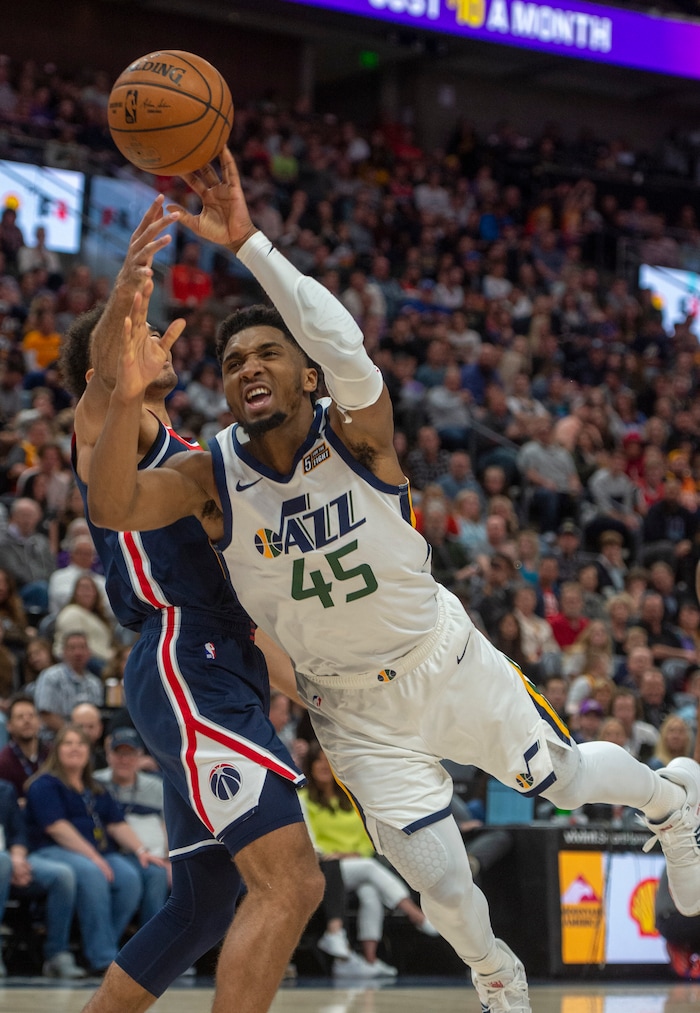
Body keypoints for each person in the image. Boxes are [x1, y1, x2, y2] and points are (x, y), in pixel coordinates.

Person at [88, 147, 700, 1012]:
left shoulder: (357, 433)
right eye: (232, 362)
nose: (248, 367)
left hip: (441, 659)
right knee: (440, 882)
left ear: (308, 373)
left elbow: (346, 342)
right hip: (353, 711)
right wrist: (124, 395)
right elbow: (113, 503)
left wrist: (251, 242)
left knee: (561, 779)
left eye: (268, 353)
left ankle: (672, 801)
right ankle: (495, 971)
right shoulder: (210, 474)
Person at [61, 195, 323, 1011]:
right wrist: (124, 292)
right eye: (136, 334)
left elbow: (249, 620)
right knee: (292, 880)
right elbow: (101, 385)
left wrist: (320, 699)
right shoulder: (115, 428)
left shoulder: (190, 457)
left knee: (204, 905)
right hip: (184, 660)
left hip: (218, 661)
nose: (154, 337)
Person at [25, 723, 160, 975]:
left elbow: (117, 824)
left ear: (89, 751)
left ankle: (104, 947)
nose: (75, 748)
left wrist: (141, 850)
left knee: (130, 879)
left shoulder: (95, 787)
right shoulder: (44, 784)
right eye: (68, 743)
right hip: (52, 851)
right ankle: (103, 958)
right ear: (56, 750)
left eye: (80, 744)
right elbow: (57, 828)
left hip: (99, 854)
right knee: (92, 873)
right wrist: (94, 857)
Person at [300, 740, 437, 978]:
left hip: (354, 864)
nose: (323, 766)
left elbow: (366, 840)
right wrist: (335, 854)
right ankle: (415, 914)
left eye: (327, 761)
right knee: (370, 869)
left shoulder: (350, 801)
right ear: (310, 766)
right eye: (317, 761)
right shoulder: (303, 798)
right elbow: (309, 840)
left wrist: (351, 854)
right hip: (324, 867)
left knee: (370, 891)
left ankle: (368, 960)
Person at [0, 776, 85, 979]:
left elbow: (18, 834)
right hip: (3, 862)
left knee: (61, 875)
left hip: (11, 860)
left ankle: (56, 954)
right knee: (2, 862)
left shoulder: (5, 790)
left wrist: (18, 860)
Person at [94, 727, 169, 928]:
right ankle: (111, 941)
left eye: (130, 754)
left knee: (158, 874)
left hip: (145, 855)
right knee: (131, 878)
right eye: (118, 753)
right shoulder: (95, 783)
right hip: (107, 852)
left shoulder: (156, 787)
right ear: (108, 755)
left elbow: (168, 825)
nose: (124, 760)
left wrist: (168, 859)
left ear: (140, 756)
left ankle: (151, 940)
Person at [34, 631, 104, 735]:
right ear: (63, 652)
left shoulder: (95, 683)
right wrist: (73, 734)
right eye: (72, 648)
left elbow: (96, 716)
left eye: (82, 647)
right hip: (54, 737)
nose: (78, 653)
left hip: (88, 738)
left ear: (89, 652)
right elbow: (46, 715)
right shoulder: (51, 677)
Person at [0, 695, 49, 800]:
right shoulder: (3, 763)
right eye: (20, 717)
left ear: (40, 722)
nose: (27, 721)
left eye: (31, 716)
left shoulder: (52, 754)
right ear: (9, 726)